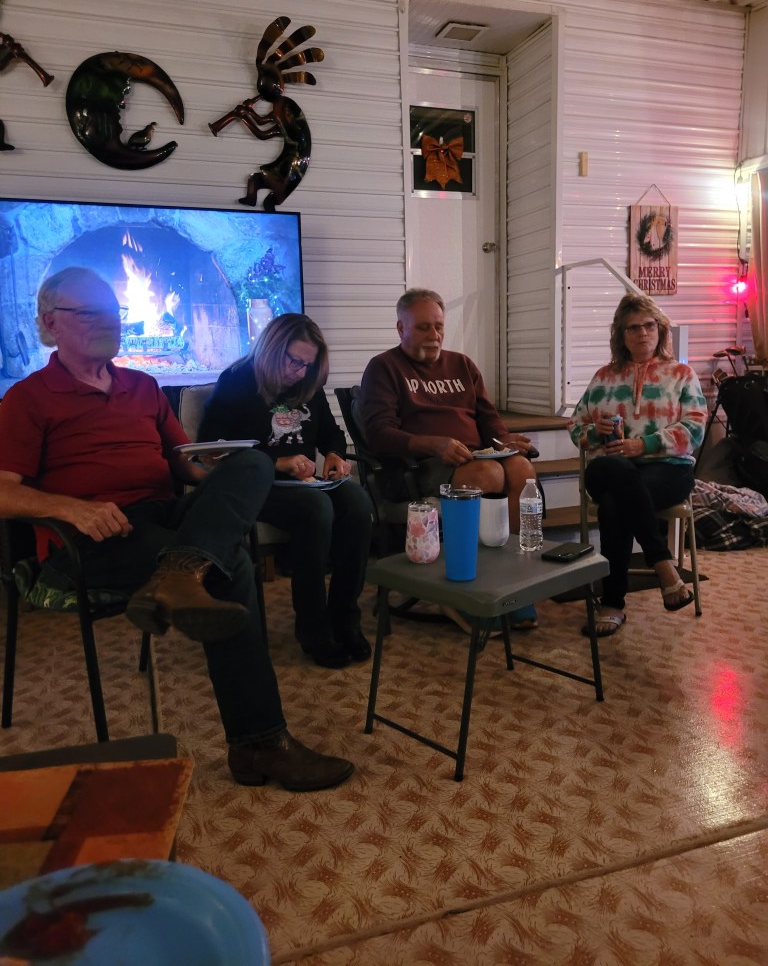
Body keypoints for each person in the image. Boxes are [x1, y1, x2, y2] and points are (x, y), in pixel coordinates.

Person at [0, 267, 354, 792]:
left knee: (254, 463)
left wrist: (228, 475)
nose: (109, 322)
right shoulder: (28, 398)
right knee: (231, 566)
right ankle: (259, 745)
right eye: (91, 313)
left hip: (163, 514)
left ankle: (181, 571)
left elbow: (186, 465)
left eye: (113, 312)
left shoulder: (142, 386)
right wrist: (74, 510)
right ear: (51, 324)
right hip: (91, 535)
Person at [199, 312, 373, 669]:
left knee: (357, 503)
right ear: (272, 349)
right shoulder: (236, 381)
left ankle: (345, 616)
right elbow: (211, 449)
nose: (300, 372)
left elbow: (330, 433)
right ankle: (313, 628)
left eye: (308, 365)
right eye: (295, 361)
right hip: (253, 486)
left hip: (305, 483)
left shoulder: (307, 383)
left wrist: (335, 456)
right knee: (317, 510)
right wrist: (277, 462)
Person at [358, 288, 539, 629]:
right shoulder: (384, 368)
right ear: (401, 328)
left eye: (439, 326)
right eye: (423, 327)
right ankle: (465, 588)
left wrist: (504, 440)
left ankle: (512, 583)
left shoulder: (462, 365)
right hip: (418, 466)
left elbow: (488, 419)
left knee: (521, 468)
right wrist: (434, 444)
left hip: (474, 456)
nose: (434, 334)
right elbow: (378, 434)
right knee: (488, 475)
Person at [569, 293, 707, 637]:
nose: (642, 333)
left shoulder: (682, 374)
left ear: (660, 329)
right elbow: (576, 428)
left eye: (648, 325)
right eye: (632, 328)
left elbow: (694, 429)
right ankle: (663, 565)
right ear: (621, 334)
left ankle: (613, 603)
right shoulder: (604, 378)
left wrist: (643, 445)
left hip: (668, 469)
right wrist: (595, 433)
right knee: (616, 471)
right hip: (610, 467)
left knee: (614, 504)